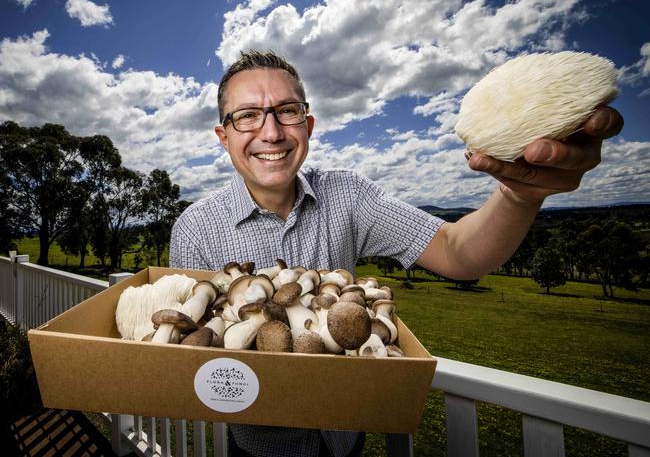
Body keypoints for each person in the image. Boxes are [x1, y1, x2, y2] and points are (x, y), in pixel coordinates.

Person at [170, 50, 623, 457]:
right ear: (223, 136)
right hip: (258, 444)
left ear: (307, 125)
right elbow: (183, 359)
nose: (270, 132)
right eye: (247, 116)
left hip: (346, 434)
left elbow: (457, 253)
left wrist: (520, 196)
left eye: (287, 111)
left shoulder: (348, 195)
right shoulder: (194, 229)